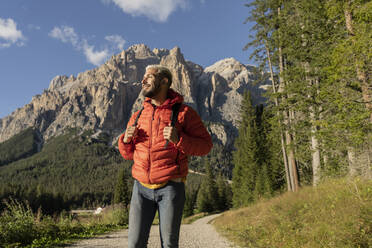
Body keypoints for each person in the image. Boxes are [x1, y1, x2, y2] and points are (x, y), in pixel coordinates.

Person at [118, 64, 213, 248]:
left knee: (169, 244)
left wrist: (180, 139)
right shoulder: (138, 116)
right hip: (140, 189)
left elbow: (206, 146)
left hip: (170, 188)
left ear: (164, 81)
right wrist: (126, 140)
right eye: (143, 77)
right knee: (134, 244)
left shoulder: (184, 113)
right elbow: (127, 155)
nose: (143, 80)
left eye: (149, 77)